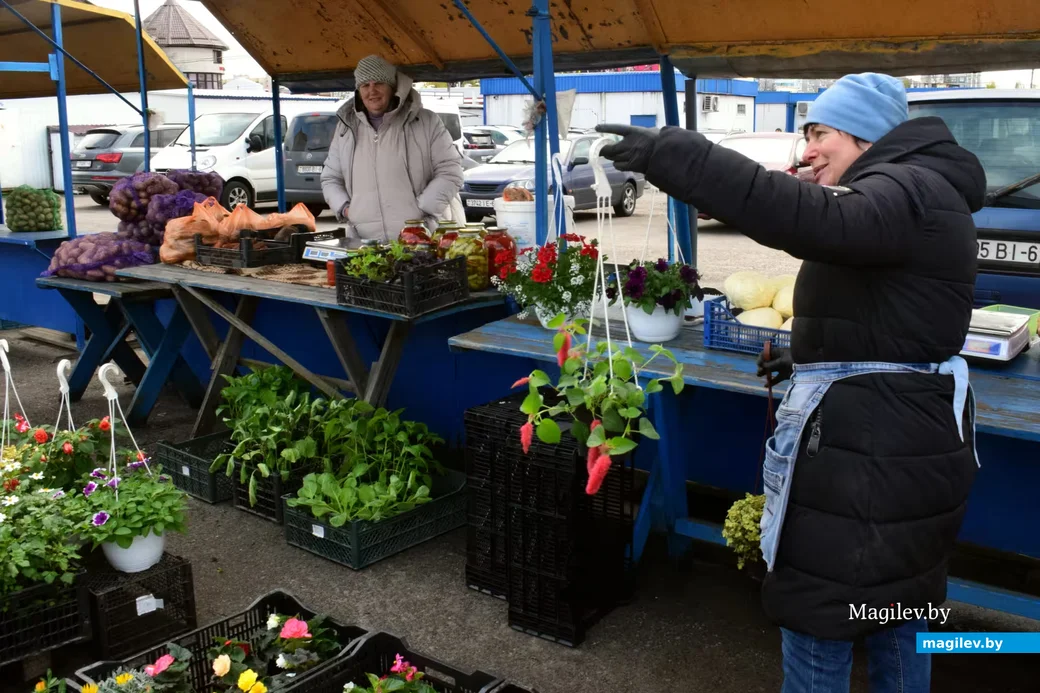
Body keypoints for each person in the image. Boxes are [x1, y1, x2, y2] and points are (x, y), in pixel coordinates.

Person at [597, 73, 984, 693]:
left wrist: (679, 156)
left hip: (872, 458)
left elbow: (807, 220)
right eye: (805, 134)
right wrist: (814, 356)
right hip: (902, 436)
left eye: (820, 133)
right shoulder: (918, 190)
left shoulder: (907, 188)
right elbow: (890, 314)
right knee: (899, 610)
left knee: (820, 609)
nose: (807, 150)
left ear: (867, 135)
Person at [321, 55, 464, 241]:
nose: (372, 91)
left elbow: (451, 171)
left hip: (421, 239)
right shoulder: (346, 128)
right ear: (358, 91)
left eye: (379, 83)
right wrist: (347, 209)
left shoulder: (426, 122)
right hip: (365, 243)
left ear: (393, 87)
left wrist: (422, 210)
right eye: (365, 85)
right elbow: (330, 177)